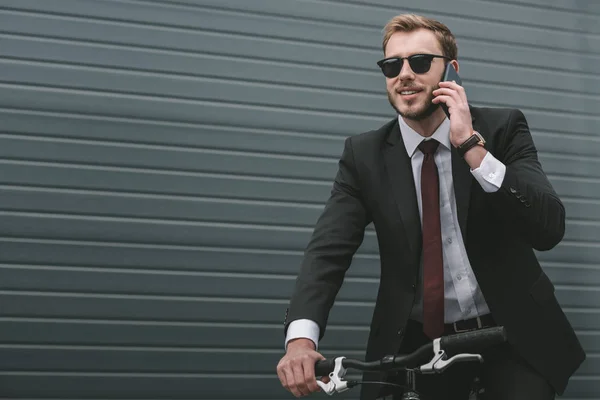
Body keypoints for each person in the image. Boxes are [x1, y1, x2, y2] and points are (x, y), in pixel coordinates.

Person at [276, 13, 585, 400]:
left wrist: (472, 147)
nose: (404, 73)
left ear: (452, 71)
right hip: (418, 342)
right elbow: (327, 252)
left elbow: (548, 228)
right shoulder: (364, 155)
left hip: (513, 334)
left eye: (420, 62)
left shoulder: (502, 129)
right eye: (392, 65)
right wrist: (300, 340)